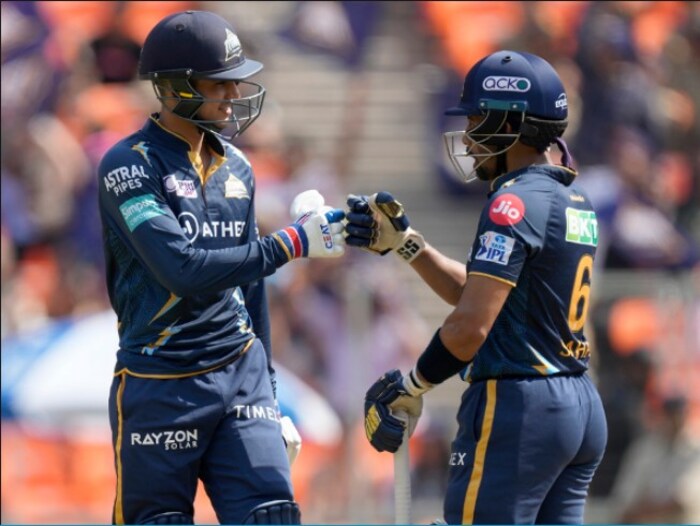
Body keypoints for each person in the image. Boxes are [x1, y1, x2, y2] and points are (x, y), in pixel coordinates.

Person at [97, 10, 345, 525]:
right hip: (161, 378)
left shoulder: (238, 165)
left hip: (240, 372)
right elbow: (182, 270)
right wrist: (294, 242)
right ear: (175, 87)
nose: (234, 94)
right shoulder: (129, 166)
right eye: (220, 83)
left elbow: (248, 285)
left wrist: (271, 396)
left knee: (273, 516)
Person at [346, 50, 608, 524]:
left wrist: (413, 384)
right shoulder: (573, 196)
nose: (467, 136)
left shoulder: (513, 201)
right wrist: (407, 245)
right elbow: (486, 295)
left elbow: (470, 325)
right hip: (577, 404)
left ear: (509, 123)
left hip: (521, 406)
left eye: (475, 119)